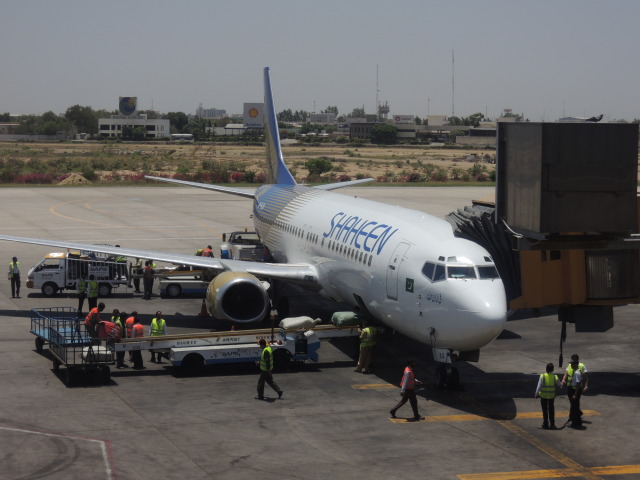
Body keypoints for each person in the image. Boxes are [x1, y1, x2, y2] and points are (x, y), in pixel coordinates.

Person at [561, 354, 589, 428]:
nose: (571, 364)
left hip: (575, 389)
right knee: (573, 404)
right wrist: (564, 380)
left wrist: (584, 386)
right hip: (570, 387)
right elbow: (566, 374)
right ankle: (575, 416)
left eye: (573, 361)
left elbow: (583, 379)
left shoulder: (580, 368)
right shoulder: (571, 366)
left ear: (576, 361)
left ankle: (575, 421)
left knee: (574, 405)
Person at [535, 362, 562, 429]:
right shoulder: (554, 377)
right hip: (551, 397)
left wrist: (536, 394)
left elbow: (539, 386)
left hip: (543, 396)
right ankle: (552, 424)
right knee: (551, 410)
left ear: (546, 369)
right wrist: (562, 384)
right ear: (552, 370)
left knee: (544, 410)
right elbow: (560, 384)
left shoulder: (542, 376)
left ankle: (545, 424)